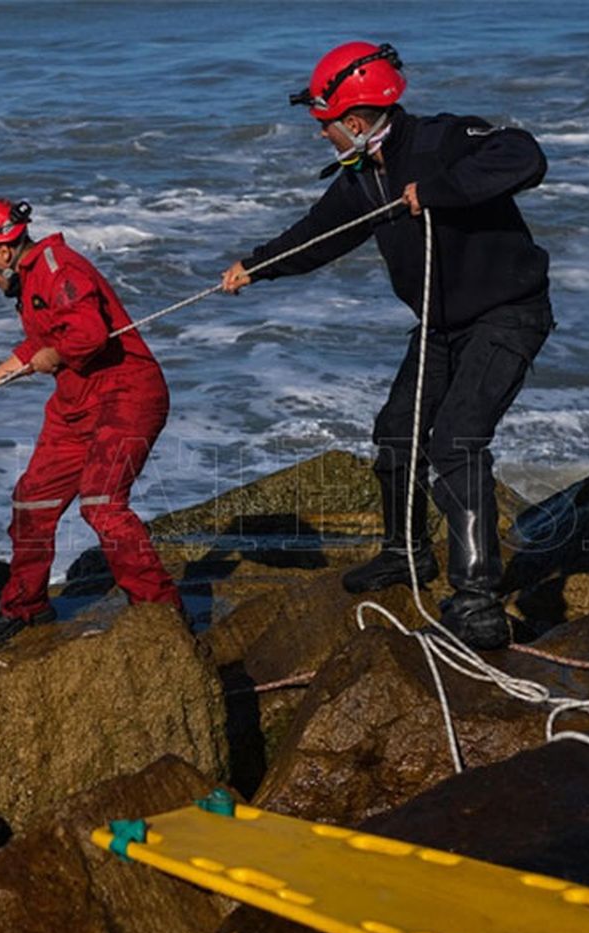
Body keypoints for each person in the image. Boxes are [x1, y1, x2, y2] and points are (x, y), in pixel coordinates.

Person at [219, 41, 554, 650]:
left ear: (352, 121)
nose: (322, 137)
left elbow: (525, 155)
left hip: (509, 315)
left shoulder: (443, 139)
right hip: (440, 326)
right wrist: (254, 266)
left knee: (456, 441)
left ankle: (478, 602)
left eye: (324, 127)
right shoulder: (360, 181)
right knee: (396, 431)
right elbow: (317, 237)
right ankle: (405, 554)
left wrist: (442, 189)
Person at [0, 197, 183, 644]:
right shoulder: (32, 279)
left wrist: (53, 355)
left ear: (2, 252)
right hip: (76, 403)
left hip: (127, 394)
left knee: (101, 503)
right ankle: (27, 606)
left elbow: (87, 334)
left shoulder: (58, 268)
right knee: (31, 502)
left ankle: (161, 614)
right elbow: (37, 345)